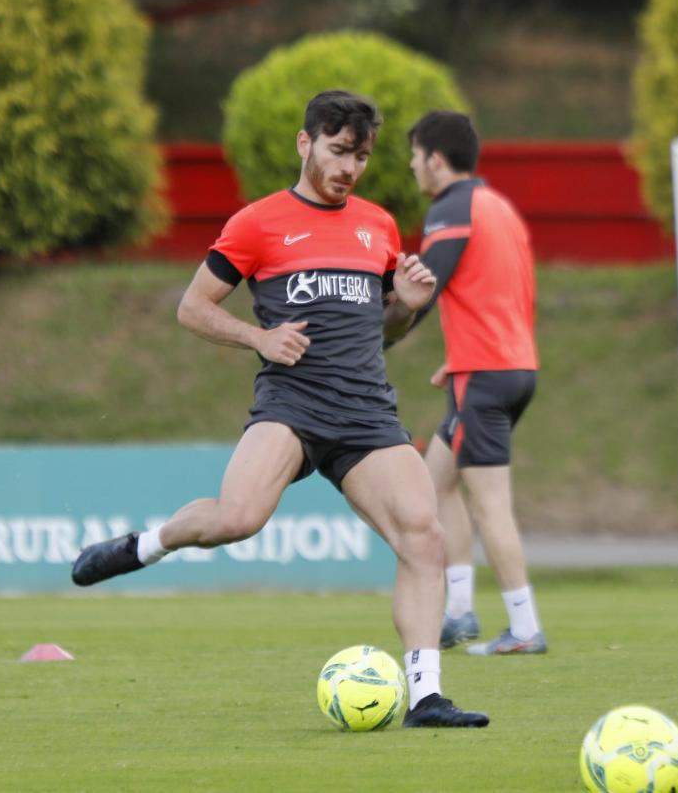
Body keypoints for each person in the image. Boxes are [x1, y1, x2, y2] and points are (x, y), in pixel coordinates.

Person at [71, 90, 490, 727]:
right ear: (306, 144)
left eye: (363, 156)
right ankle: (146, 546)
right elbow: (194, 308)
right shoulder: (257, 223)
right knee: (235, 520)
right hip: (291, 406)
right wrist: (258, 337)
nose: (350, 168)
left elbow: (381, 333)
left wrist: (406, 303)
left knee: (424, 537)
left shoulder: (376, 226)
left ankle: (427, 696)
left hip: (365, 414)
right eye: (339, 151)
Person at [397, 110, 545, 656]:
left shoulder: (450, 209)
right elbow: (503, 291)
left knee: (490, 505)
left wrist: (372, 336)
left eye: (414, 156)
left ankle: (525, 627)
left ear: (435, 159)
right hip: (507, 366)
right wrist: (459, 358)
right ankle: (458, 612)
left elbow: (423, 290)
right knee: (434, 485)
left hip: (485, 374)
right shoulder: (498, 206)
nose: (413, 167)